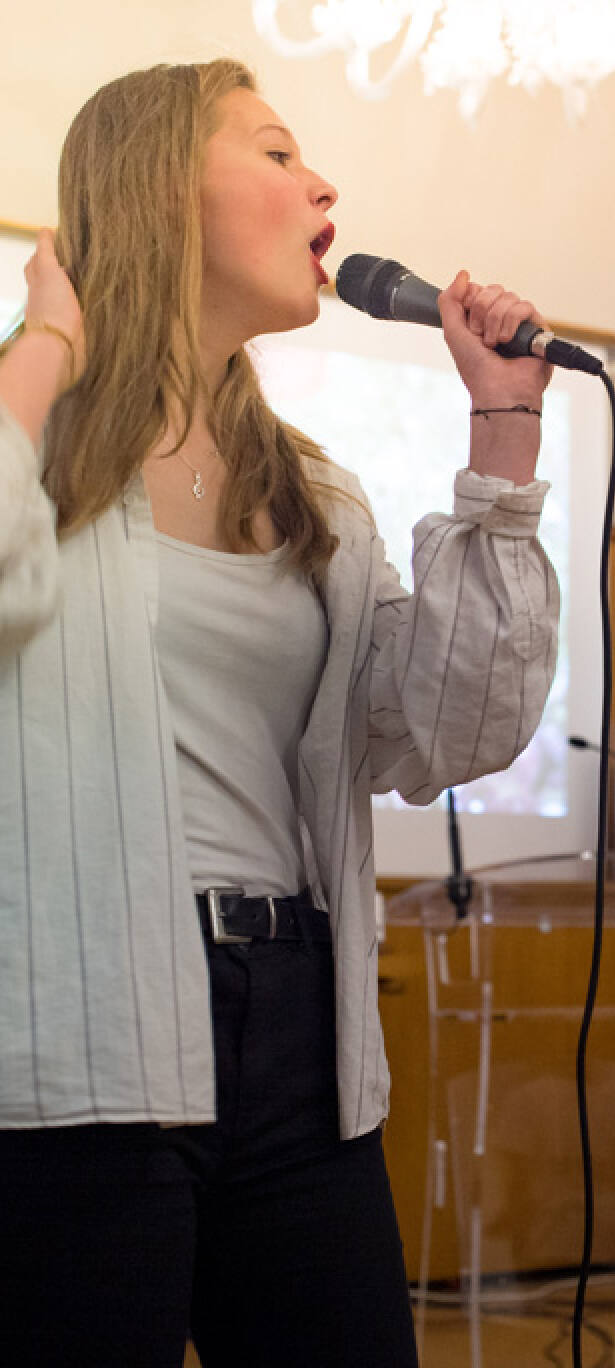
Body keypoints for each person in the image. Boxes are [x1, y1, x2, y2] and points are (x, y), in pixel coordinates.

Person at [0, 59, 559, 1368]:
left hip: (299, 1028)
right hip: (77, 1023)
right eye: (274, 152)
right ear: (159, 188)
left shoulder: (319, 499)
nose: (323, 186)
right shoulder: (29, 437)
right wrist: (47, 346)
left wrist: (503, 431)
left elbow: (448, 729)